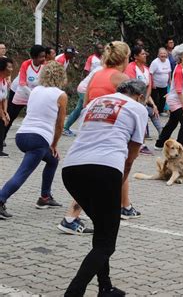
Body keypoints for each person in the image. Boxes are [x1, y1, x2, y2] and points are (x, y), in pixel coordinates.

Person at [62, 79, 148, 296]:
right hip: (105, 169)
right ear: (139, 96)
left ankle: (105, 286)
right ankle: (73, 292)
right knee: (106, 243)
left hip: (71, 169)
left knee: (101, 229)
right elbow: (131, 156)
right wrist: (118, 184)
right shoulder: (137, 108)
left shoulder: (95, 102)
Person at [58, 41, 140, 235]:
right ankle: (72, 216)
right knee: (111, 170)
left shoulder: (96, 74)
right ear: (125, 58)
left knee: (115, 168)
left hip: (91, 127)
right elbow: (130, 104)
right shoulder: (121, 78)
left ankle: (124, 205)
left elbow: (86, 104)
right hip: (110, 129)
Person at [0, 61, 67, 219]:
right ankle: (1, 199)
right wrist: (54, 144)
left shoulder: (35, 90)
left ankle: (45, 197)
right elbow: (60, 125)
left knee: (53, 160)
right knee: (22, 173)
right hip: (39, 139)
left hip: (22, 135)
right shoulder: (61, 95)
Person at [154, 44, 183, 150]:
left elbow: (178, 86)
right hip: (176, 101)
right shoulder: (179, 70)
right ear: (181, 56)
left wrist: (171, 92)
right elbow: (179, 90)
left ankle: (159, 143)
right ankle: (179, 147)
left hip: (178, 99)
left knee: (172, 123)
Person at [4, 45, 46, 142]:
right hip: (19, 92)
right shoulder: (26, 64)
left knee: (36, 117)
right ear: (34, 57)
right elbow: (22, 83)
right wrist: (33, 94)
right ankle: (2, 138)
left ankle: (35, 139)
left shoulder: (45, 66)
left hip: (33, 94)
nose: (43, 59)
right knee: (10, 116)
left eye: (44, 56)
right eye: (41, 56)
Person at [124, 46, 161, 155]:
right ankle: (139, 144)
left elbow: (148, 87)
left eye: (145, 53)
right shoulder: (131, 67)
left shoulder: (146, 69)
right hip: (133, 99)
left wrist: (151, 103)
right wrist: (140, 101)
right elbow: (131, 85)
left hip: (143, 99)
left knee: (153, 112)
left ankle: (162, 136)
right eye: (143, 54)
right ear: (135, 56)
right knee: (139, 121)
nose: (145, 55)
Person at [149, 47, 172, 115]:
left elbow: (169, 71)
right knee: (155, 99)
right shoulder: (155, 62)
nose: (163, 55)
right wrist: (152, 83)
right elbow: (150, 73)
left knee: (163, 98)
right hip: (156, 84)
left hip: (164, 84)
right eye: (161, 53)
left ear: (166, 54)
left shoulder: (167, 61)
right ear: (158, 55)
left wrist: (170, 80)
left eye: (164, 53)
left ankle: (161, 111)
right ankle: (153, 111)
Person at [0, 57, 13, 157]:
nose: (11, 69)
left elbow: (5, 98)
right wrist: (2, 115)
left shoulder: (5, 81)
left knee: (3, 124)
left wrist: (5, 112)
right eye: (9, 67)